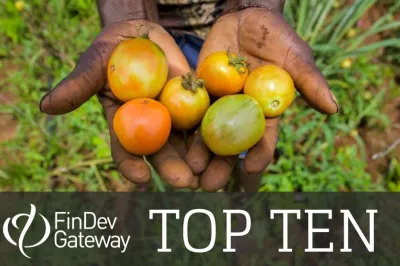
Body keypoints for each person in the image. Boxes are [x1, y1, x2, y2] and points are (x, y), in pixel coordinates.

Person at [39, 0, 339, 192]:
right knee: (190, 153)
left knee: (246, 151)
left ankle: (244, 202)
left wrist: (256, 5)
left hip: (236, 33)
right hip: (158, 35)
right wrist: (129, 13)